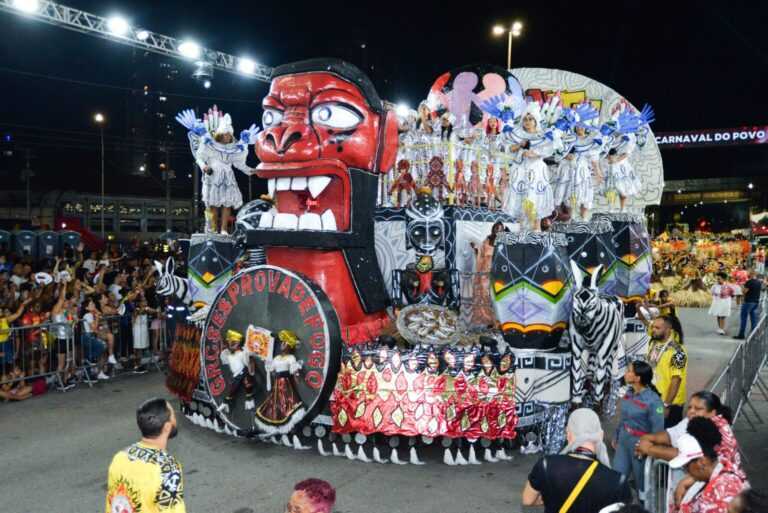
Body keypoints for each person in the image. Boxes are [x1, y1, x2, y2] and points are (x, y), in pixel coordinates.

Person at [522, 408, 632, 513]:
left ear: (568, 434)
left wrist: (551, 498)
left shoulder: (546, 465)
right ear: (601, 435)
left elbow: (527, 500)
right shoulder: (618, 481)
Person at [635, 390, 743, 479]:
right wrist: (648, 438)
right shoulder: (692, 420)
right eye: (690, 407)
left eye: (698, 409)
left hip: (717, 484)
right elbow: (671, 435)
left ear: (713, 413)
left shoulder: (715, 428)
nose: (691, 411)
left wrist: (649, 449)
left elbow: (686, 454)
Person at [105, 398, 185, 513]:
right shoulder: (167, 468)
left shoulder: (120, 456)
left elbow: (112, 502)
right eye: (173, 415)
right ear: (167, 427)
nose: (175, 418)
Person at [669, 420, 747, 513]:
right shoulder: (722, 470)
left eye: (686, 466)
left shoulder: (722, 490)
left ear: (702, 462)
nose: (686, 472)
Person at [612, 360, 664, 497]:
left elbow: (658, 431)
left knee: (642, 486)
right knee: (616, 480)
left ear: (637, 378)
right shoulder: (628, 393)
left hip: (640, 446)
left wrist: (650, 450)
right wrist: (617, 435)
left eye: (629, 371)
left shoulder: (653, 401)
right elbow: (623, 418)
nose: (626, 373)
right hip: (623, 441)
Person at [647, 316, 688, 427]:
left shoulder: (678, 352)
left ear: (668, 328)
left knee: (666, 436)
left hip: (669, 403)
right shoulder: (654, 343)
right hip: (653, 399)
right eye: (653, 327)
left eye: (657, 328)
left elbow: (676, 381)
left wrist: (666, 405)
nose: (653, 330)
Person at [734, 270, 762, 340]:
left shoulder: (749, 282)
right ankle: (754, 335)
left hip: (748, 302)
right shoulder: (758, 282)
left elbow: (744, 291)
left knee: (744, 318)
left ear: (751, 274)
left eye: (749, 273)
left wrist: (742, 287)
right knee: (753, 319)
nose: (748, 274)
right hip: (756, 302)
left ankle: (741, 334)